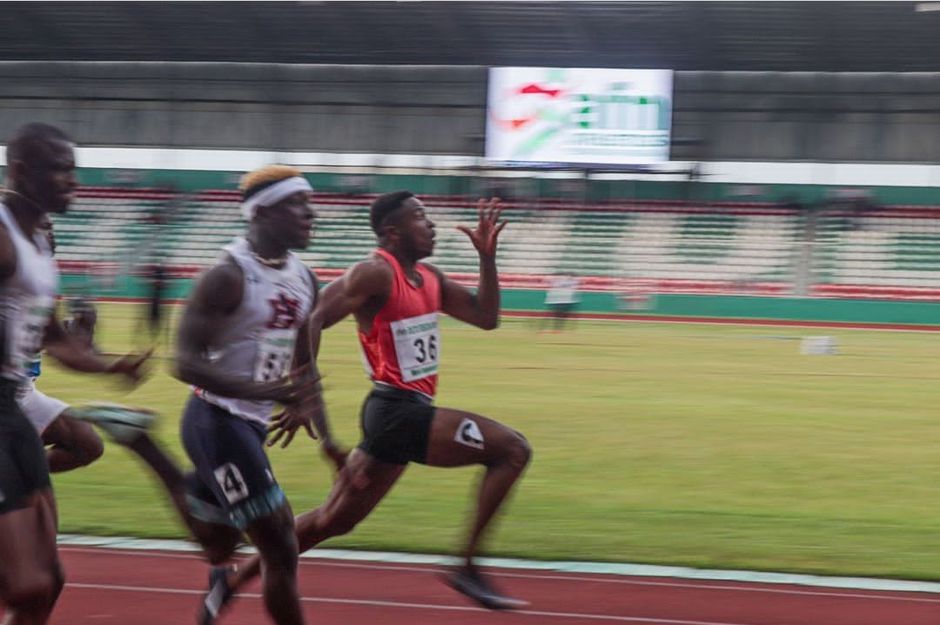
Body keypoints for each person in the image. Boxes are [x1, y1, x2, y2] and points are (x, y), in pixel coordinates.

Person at [209, 191, 532, 620]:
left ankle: (229, 582)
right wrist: (303, 393)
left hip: (399, 417)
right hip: (397, 411)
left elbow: (486, 316)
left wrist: (487, 258)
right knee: (512, 449)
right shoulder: (374, 273)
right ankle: (466, 566)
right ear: (392, 233)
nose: (430, 224)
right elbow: (314, 316)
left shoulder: (429, 278)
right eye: (420, 217)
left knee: (332, 521)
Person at [82, 165, 322, 625]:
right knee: (280, 544)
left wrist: (309, 406)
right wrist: (263, 390)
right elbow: (184, 362)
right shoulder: (228, 275)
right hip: (217, 422)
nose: (311, 214)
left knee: (218, 544)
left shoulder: (305, 278)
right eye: (298, 204)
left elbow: (304, 352)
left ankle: (143, 442)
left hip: (250, 423)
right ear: (264, 212)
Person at [0, 122, 149, 625]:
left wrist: (110, 365)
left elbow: (55, 340)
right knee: (26, 583)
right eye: (60, 170)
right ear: (21, 172)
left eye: (74, 170)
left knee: (48, 583)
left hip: (11, 405)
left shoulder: (40, 241)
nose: (73, 181)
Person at [17, 216, 105, 474]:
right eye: (44, 226)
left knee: (86, 444)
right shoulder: (12, 276)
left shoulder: (40, 277)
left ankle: (18, 476)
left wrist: (78, 333)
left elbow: (50, 337)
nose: (52, 231)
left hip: (23, 391)